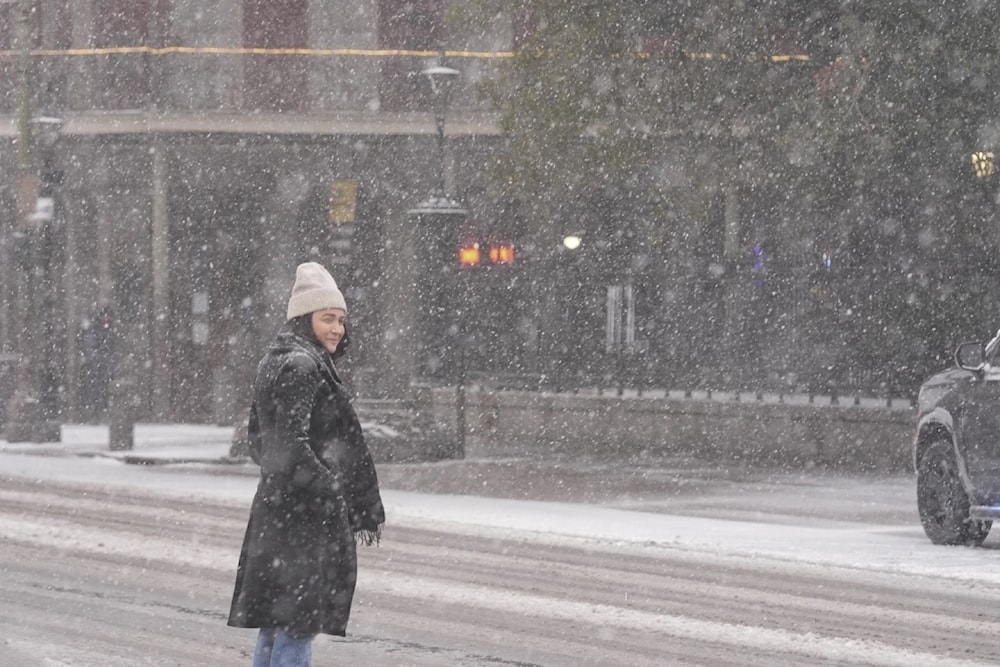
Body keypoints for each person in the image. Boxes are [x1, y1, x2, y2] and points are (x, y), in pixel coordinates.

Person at [228, 262, 385, 667]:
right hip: (303, 519)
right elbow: (291, 445)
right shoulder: (302, 366)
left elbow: (260, 442)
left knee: (278, 622)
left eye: (341, 320)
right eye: (328, 318)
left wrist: (293, 479)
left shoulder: (278, 360)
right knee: (298, 624)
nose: (338, 329)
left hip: (280, 512)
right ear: (304, 319)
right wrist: (331, 488)